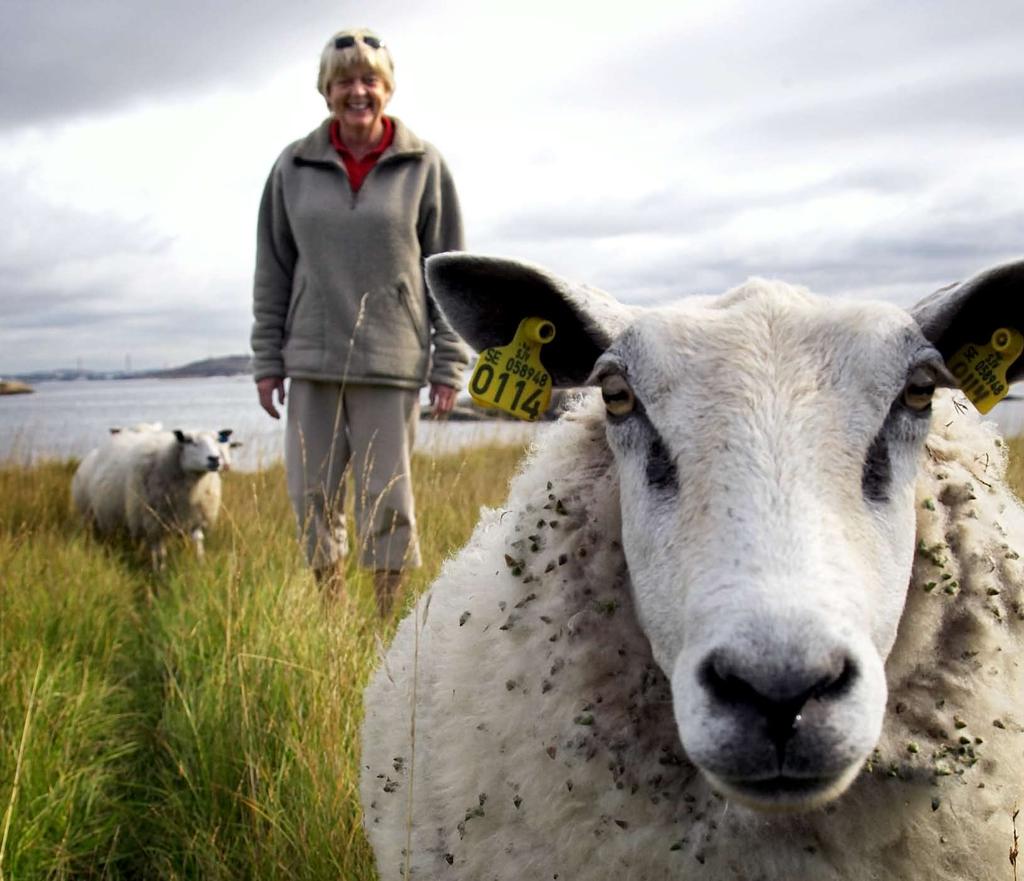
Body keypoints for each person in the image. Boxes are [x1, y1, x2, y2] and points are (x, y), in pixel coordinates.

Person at [251, 27, 469, 614]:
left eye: (369, 79)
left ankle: (384, 620)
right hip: (312, 359)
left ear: (388, 88)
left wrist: (449, 362)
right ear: (325, 89)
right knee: (313, 497)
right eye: (344, 79)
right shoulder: (292, 167)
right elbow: (272, 269)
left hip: (391, 359)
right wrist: (267, 360)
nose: (357, 91)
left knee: (388, 499)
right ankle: (332, 611)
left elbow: (447, 269)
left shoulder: (424, 166)